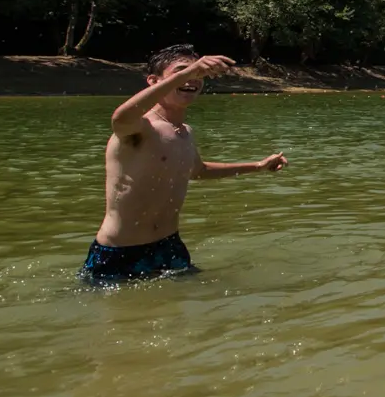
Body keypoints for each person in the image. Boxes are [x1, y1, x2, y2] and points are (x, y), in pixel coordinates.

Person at [78, 45, 288, 285]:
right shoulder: (140, 127)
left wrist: (258, 166)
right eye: (182, 71)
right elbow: (119, 118)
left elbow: (198, 171)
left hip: (169, 246)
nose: (193, 78)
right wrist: (188, 73)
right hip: (121, 250)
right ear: (154, 81)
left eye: (198, 74)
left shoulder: (185, 132)